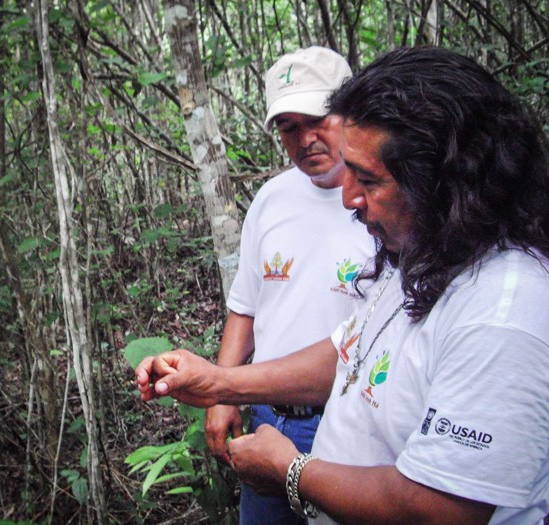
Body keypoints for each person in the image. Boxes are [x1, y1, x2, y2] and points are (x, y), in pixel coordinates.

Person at [136, 46, 549, 525]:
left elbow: (439, 510)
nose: (349, 197)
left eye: (369, 181)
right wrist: (219, 383)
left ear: (446, 180)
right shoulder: (427, 254)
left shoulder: (509, 317)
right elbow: (349, 353)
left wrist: (290, 470)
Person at [206, 46, 375, 524]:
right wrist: (223, 397)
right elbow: (246, 307)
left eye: (319, 119)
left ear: (351, 112)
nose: (306, 139)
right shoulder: (271, 200)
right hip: (266, 419)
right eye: (289, 127)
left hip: (346, 425)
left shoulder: (386, 202)